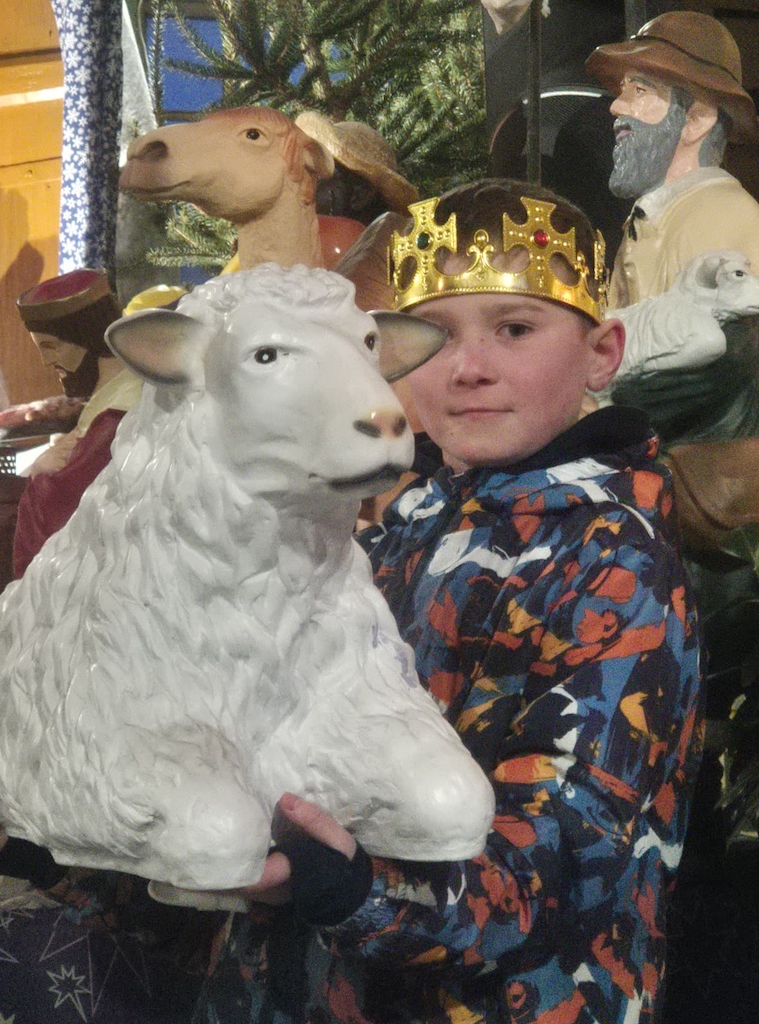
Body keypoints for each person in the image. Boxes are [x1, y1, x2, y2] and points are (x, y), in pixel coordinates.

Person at [193, 179, 704, 1024]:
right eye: (435, 336)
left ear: (602, 353)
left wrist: (349, 887)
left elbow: (569, 856)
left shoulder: (617, 564)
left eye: (515, 329)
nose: (468, 368)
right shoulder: (399, 528)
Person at [585, 10, 759, 309]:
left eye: (640, 90)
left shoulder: (723, 219)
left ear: (696, 120)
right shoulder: (658, 215)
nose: (616, 106)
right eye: (624, 89)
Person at [12, 267, 143, 577]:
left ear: (85, 337)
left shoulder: (115, 415)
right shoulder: (113, 399)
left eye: (51, 347)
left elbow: (60, 510)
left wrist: (39, 474)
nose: (46, 361)